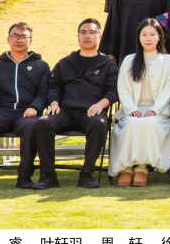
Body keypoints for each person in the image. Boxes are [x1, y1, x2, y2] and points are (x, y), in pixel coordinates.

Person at [32, 18, 119, 190]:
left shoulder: (108, 64)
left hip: (92, 111)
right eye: (83, 32)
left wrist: (101, 105)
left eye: (92, 32)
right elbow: (54, 85)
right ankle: (48, 176)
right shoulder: (65, 62)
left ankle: (86, 175)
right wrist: (54, 103)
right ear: (78, 36)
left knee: (100, 124)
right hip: (64, 111)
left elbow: (114, 91)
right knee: (42, 123)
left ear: (99, 36)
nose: (87, 36)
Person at [0, 23, 50, 190]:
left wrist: (35, 107)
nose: (19, 40)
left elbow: (43, 93)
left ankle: (24, 177)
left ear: (30, 40)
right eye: (15, 36)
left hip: (27, 112)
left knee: (31, 126)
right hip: (1, 112)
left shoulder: (41, 66)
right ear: (8, 39)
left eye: (23, 37)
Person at [111, 18, 170, 187]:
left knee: (149, 123)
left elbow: (168, 89)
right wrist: (131, 109)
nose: (148, 38)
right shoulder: (129, 60)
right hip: (132, 109)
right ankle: (126, 169)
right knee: (131, 123)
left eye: (152, 34)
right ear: (138, 37)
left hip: (159, 111)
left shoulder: (168, 60)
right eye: (144, 34)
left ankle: (142, 168)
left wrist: (155, 110)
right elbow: (122, 88)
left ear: (159, 37)